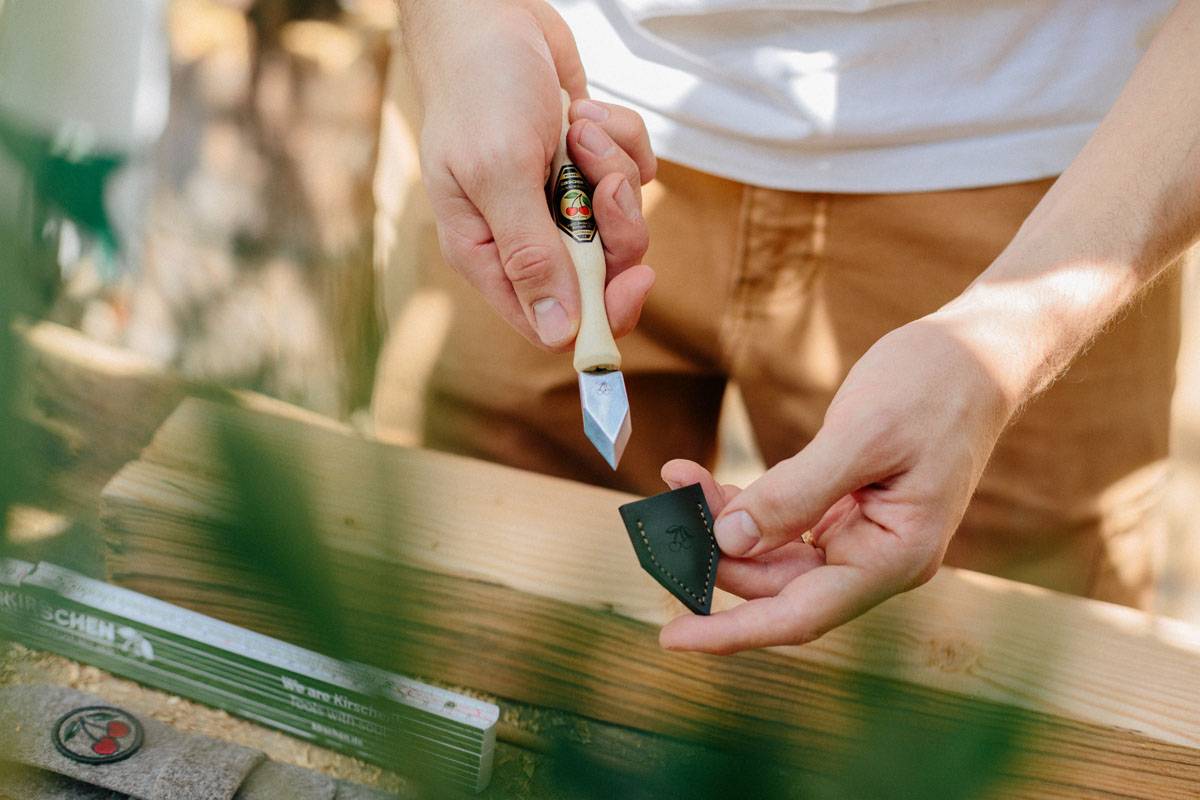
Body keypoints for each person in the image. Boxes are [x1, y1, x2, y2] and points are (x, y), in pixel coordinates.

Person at [380, 0, 1199, 655]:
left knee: (997, 703)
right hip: (549, 135)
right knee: (453, 634)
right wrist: (455, 22)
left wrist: (1004, 338)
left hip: (1051, 189)